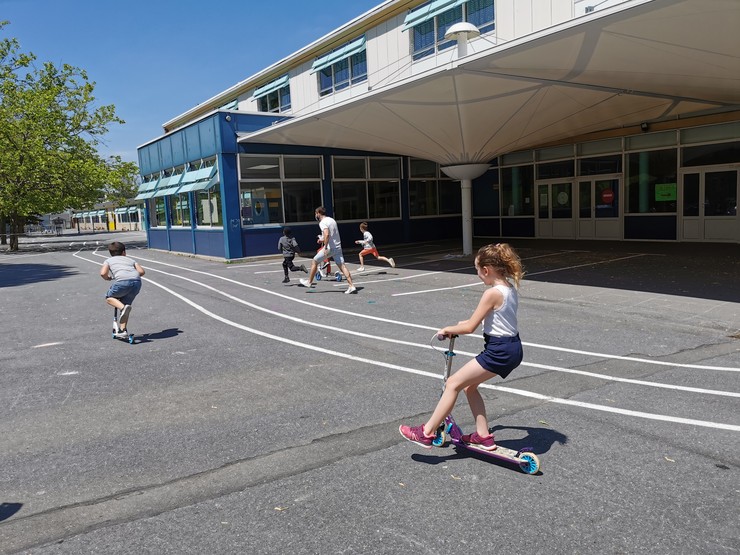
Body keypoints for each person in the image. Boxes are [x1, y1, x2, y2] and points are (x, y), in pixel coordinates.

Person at [399, 243, 524, 450]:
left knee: (452, 384)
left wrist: (446, 329)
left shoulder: (492, 293)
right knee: (469, 386)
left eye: (477, 270)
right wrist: (459, 326)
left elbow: (471, 327)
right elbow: (493, 318)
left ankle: (426, 432)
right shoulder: (509, 289)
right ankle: (483, 435)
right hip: (513, 348)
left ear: (486, 270)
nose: (477, 275)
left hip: (499, 350)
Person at [300, 206, 357, 294]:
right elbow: (331, 234)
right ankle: (351, 286)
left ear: (319, 213)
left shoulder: (322, 222)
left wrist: (325, 247)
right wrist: (322, 239)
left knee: (314, 261)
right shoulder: (332, 220)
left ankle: (309, 282)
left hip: (330, 248)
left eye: (316, 213)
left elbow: (327, 234)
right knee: (343, 266)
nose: (315, 215)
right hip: (338, 247)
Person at [100, 241, 145, 336]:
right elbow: (141, 272)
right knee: (126, 305)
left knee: (109, 298)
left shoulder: (108, 261)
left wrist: (108, 278)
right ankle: (123, 330)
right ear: (124, 252)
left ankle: (122, 308)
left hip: (122, 282)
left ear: (110, 253)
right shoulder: (131, 260)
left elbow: (103, 273)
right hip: (136, 283)